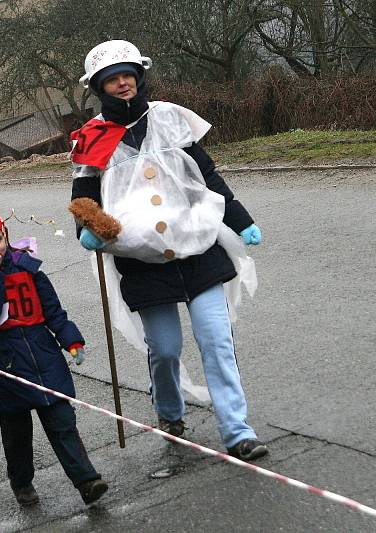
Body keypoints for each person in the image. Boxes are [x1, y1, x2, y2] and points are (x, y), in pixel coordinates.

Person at [70, 40, 268, 461]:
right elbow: (84, 194)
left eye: (128, 74)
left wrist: (241, 219)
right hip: (141, 259)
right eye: (112, 78)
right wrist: (86, 230)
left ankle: (237, 430)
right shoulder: (92, 139)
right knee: (164, 349)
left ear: (138, 77)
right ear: (99, 87)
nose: (122, 83)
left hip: (197, 249)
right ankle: (170, 413)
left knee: (216, 341)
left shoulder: (170, 118)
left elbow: (207, 175)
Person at [0, 211, 108, 506]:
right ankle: (21, 482)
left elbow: (52, 308)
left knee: (62, 420)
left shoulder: (26, 264)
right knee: (17, 433)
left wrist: (70, 339)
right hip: (7, 362)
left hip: (43, 351)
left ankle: (87, 481)